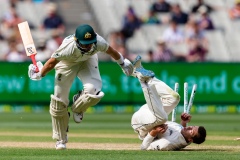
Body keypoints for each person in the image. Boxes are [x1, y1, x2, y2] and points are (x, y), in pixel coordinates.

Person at [28, 24, 133, 150]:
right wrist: (40, 73)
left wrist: (122, 62)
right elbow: (51, 63)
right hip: (67, 63)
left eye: (90, 43)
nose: (88, 46)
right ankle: (61, 140)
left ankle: (78, 107)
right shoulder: (67, 47)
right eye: (85, 44)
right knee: (58, 101)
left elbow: (111, 51)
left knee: (93, 91)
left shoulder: (98, 42)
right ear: (77, 41)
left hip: (87, 60)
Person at [131, 55, 206, 150]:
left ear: (190, 140)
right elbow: (179, 134)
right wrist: (183, 122)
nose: (189, 127)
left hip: (140, 123)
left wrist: (153, 132)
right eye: (192, 126)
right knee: (174, 98)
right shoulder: (183, 133)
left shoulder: (170, 144)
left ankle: (142, 80)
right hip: (151, 112)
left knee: (162, 118)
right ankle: (141, 74)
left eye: (191, 131)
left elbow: (144, 148)